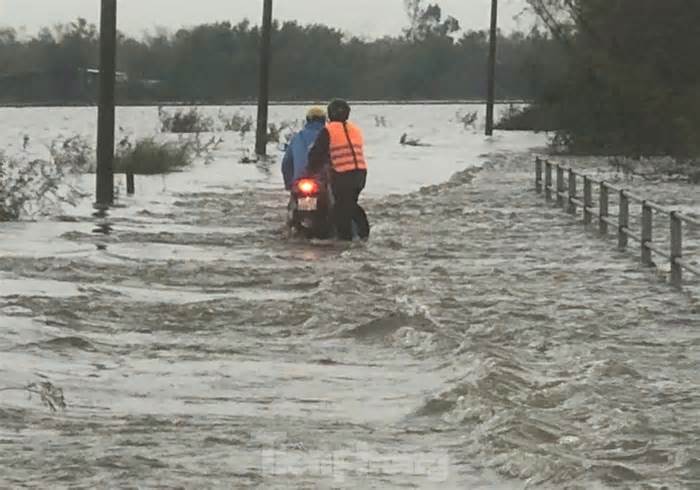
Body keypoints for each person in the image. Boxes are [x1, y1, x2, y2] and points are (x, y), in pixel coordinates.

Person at [307, 99, 370, 241]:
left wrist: (310, 171)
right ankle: (361, 236)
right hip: (360, 174)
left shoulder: (328, 130)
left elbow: (317, 153)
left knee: (341, 210)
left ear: (330, 114)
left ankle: (345, 240)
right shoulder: (355, 129)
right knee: (349, 205)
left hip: (343, 175)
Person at [281, 107, 327, 190]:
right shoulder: (329, 137)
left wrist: (288, 184)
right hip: (322, 182)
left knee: (293, 201)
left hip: (299, 181)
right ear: (324, 120)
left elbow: (286, 163)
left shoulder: (297, 137)